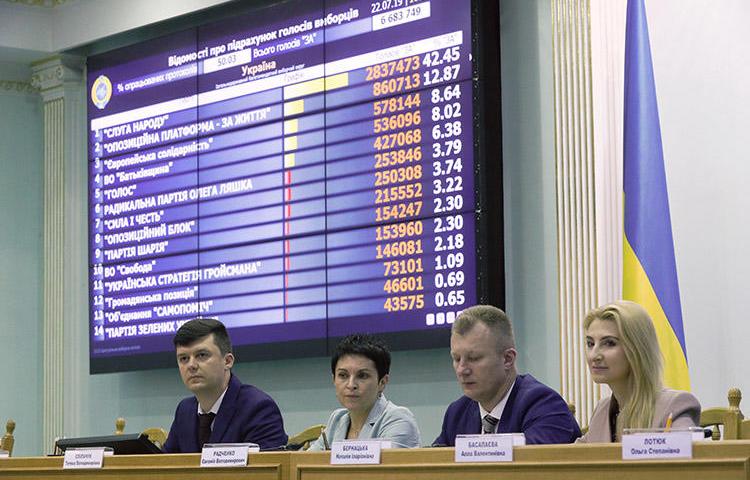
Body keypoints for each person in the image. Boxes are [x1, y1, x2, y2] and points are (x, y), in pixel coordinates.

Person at [434, 305, 581, 446]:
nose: (461, 370)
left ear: (508, 359)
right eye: (456, 358)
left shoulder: (544, 405)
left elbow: (527, 466)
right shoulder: (457, 413)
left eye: (474, 358)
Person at [578, 300, 700, 442]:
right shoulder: (602, 411)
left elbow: (689, 458)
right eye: (590, 344)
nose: (594, 355)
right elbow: (569, 458)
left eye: (609, 343)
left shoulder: (675, 406)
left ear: (637, 349)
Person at [162, 318, 288, 452]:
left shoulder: (258, 408)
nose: (191, 365)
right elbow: (164, 466)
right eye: (184, 358)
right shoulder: (184, 410)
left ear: (227, 361)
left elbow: (267, 470)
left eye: (202, 355)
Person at [307, 334, 421, 450]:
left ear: (382, 382)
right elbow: (306, 463)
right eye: (343, 375)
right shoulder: (337, 419)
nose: (351, 385)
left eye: (362, 376)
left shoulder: (399, 421)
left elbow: (378, 467)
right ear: (333, 379)